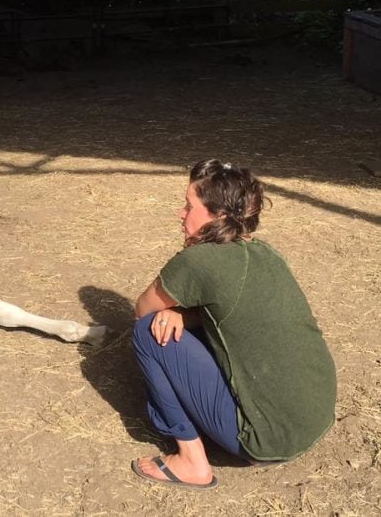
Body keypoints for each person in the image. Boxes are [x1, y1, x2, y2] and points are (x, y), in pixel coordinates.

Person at [130, 159, 336, 490]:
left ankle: (192, 461)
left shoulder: (198, 262)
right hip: (314, 419)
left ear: (219, 216)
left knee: (149, 332)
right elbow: (228, 308)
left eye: (188, 206)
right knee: (176, 324)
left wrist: (178, 309)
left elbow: (142, 310)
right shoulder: (265, 253)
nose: (180, 215)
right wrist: (185, 313)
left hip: (266, 440)